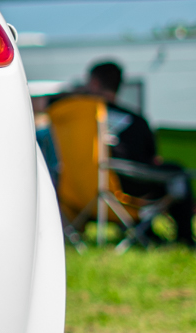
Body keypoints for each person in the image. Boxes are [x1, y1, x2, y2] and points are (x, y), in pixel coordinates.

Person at [65, 61, 194, 248]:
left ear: (94, 82)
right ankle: (183, 238)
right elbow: (152, 159)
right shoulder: (136, 121)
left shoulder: (73, 118)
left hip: (83, 189)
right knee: (177, 172)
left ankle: (144, 233)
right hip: (129, 186)